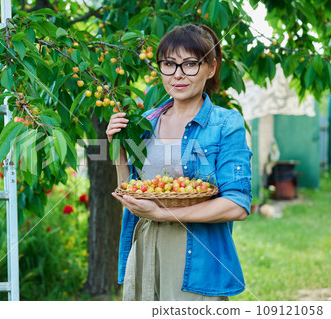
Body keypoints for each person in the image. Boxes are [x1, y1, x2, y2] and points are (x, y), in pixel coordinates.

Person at [107, 23, 253, 301]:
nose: (178, 75)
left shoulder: (225, 123)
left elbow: (237, 205)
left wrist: (165, 214)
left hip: (196, 255)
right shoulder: (144, 122)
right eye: (169, 64)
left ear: (211, 68)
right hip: (145, 247)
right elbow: (131, 191)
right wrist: (117, 147)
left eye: (190, 64)